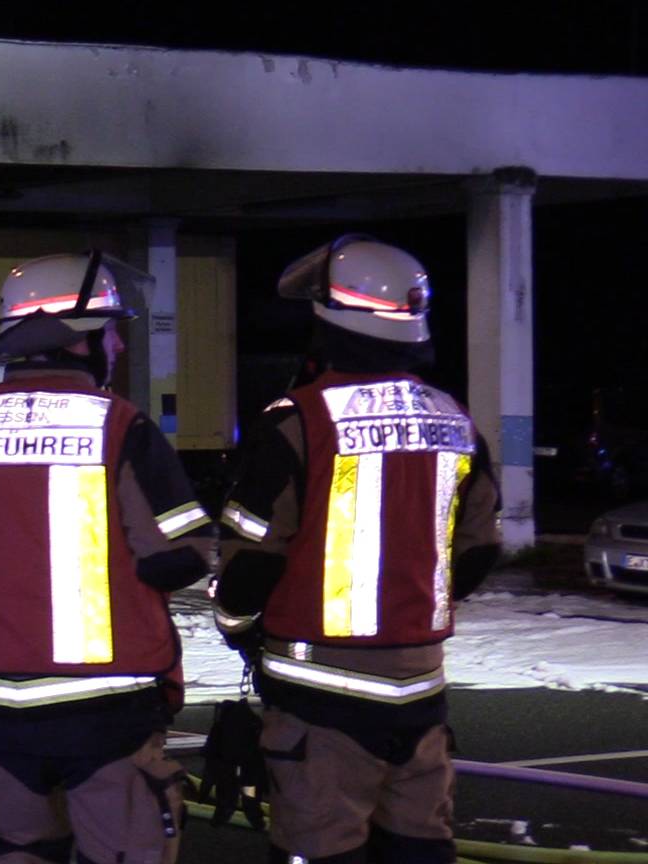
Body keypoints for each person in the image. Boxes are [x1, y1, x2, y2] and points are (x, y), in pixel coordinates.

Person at [0, 252, 216, 864]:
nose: (117, 346)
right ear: (82, 340)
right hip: (109, 707)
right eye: (112, 332)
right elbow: (180, 555)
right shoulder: (120, 427)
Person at [210, 235, 501, 864]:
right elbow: (479, 549)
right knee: (419, 850)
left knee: (321, 852)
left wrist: (238, 630)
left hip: (319, 700)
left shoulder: (296, 421)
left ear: (326, 319)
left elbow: (252, 563)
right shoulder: (455, 420)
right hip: (421, 691)